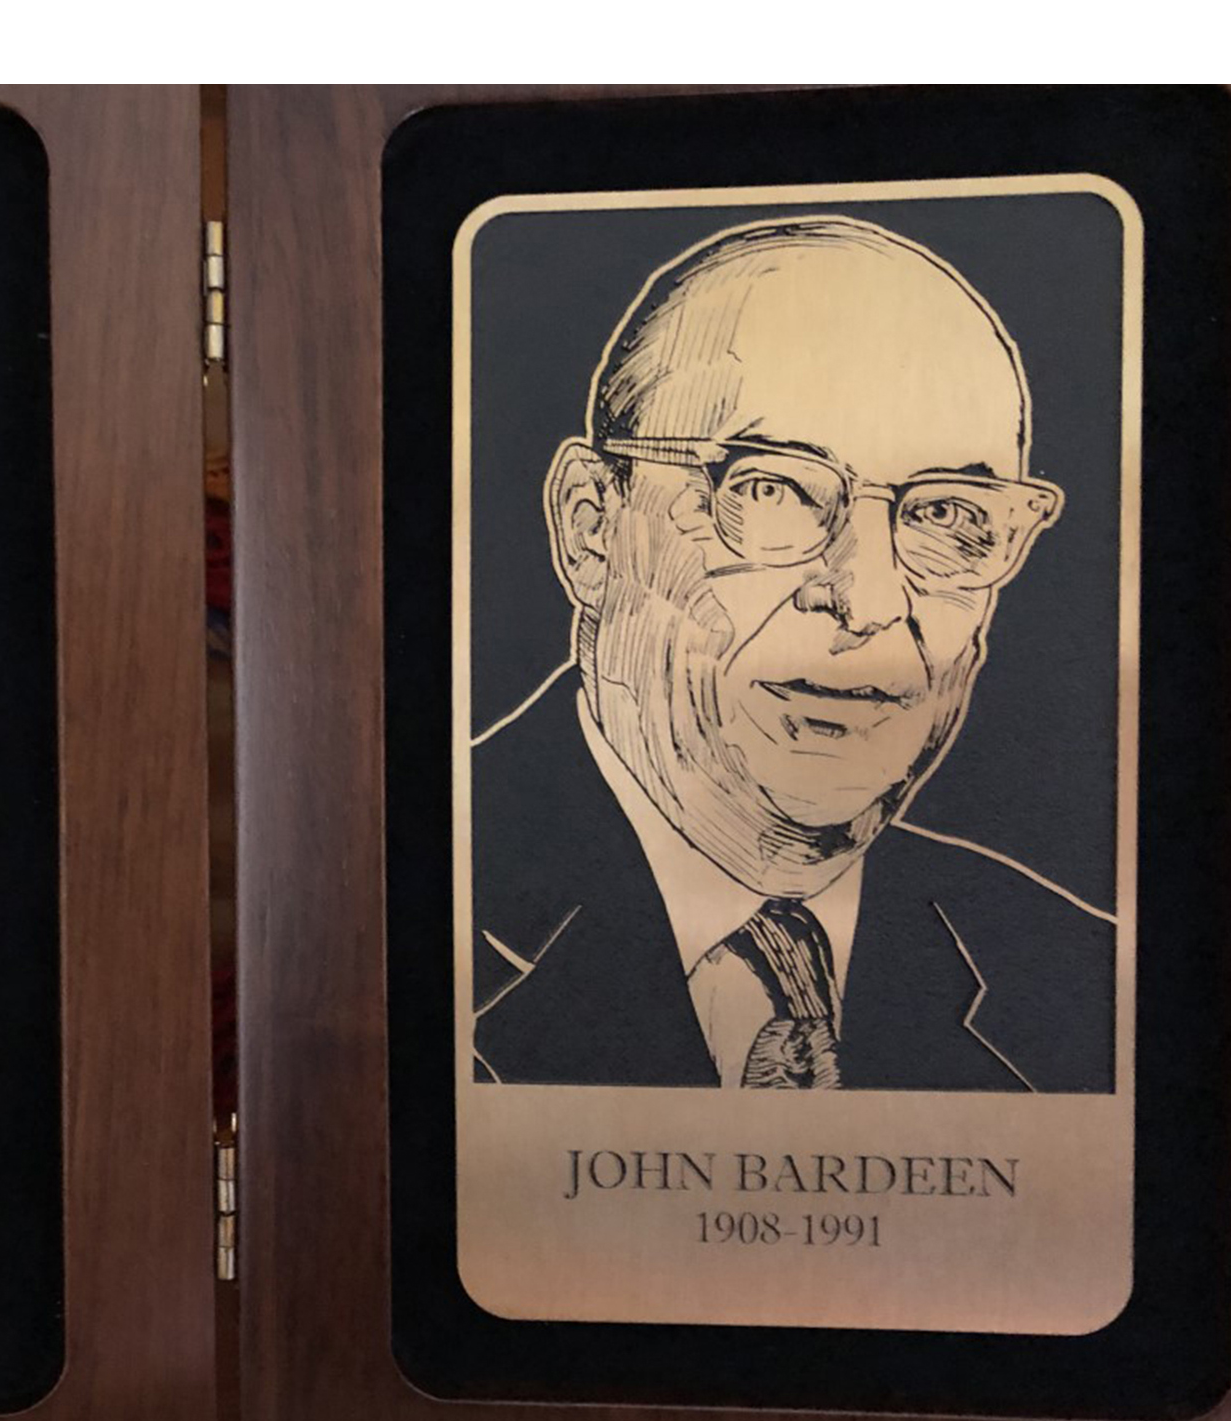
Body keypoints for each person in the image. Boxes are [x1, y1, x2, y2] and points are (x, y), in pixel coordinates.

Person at [471, 216, 1115, 1093]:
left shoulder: (1079, 975)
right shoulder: (395, 912)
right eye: (771, 488)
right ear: (591, 527)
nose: (871, 601)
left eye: (948, 514)